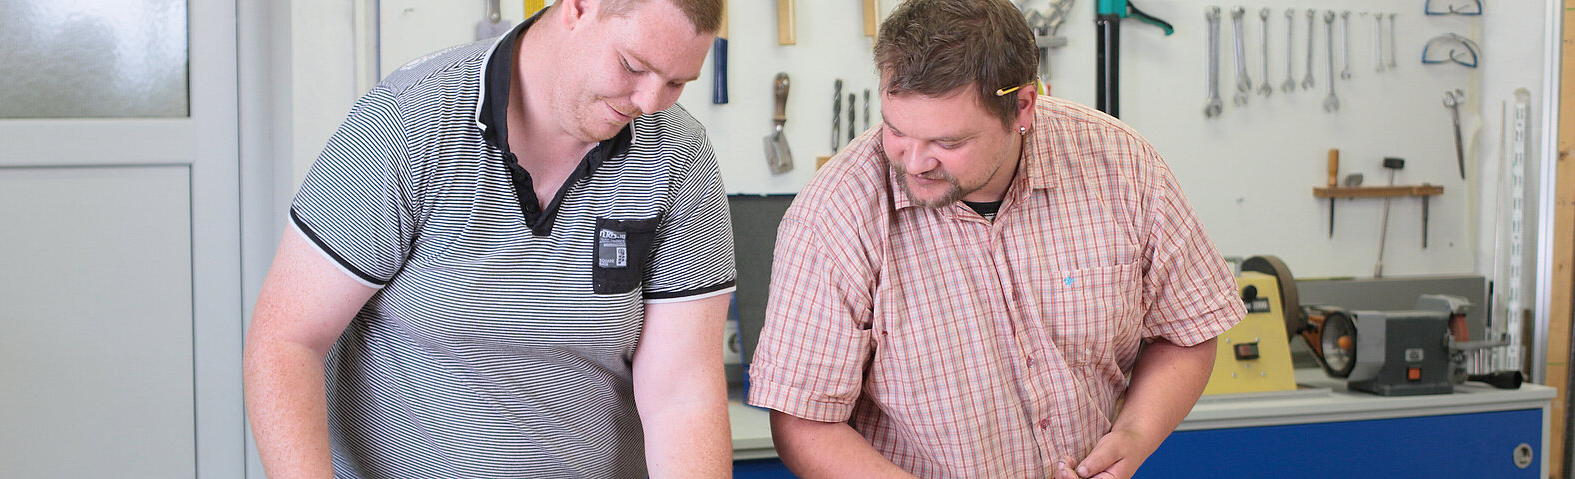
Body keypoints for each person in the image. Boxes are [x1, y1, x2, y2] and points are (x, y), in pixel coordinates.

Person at [746, 0, 1245, 477]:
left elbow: (1187, 330)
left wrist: (1136, 433)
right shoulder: (835, 216)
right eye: (896, 130)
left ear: (1024, 105)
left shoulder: (1121, 167)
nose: (914, 162)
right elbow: (802, 419)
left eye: (948, 142)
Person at [243, 0, 736, 477]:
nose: (650, 103)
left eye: (676, 83)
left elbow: (681, 394)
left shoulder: (681, 157)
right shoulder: (409, 122)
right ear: (579, 7)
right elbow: (288, 341)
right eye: (633, 66)